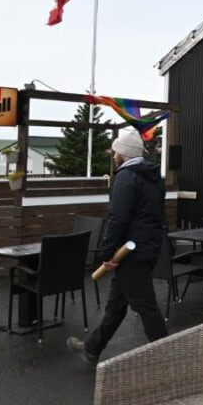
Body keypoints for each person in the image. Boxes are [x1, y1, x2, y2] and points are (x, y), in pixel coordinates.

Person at [68, 130, 167, 366]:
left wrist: (106, 254)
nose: (114, 156)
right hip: (148, 247)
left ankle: (167, 359)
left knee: (147, 307)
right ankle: (92, 348)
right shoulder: (154, 177)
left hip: (131, 253)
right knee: (116, 305)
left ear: (124, 154)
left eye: (116, 152)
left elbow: (118, 219)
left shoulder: (126, 178)